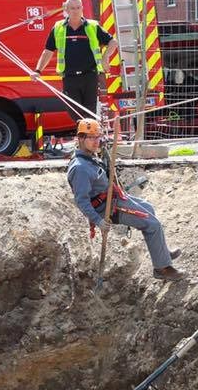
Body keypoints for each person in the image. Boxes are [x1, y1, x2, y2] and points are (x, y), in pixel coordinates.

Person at [66, 118, 185, 282]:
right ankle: (162, 268)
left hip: (113, 198)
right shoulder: (80, 168)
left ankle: (162, 253)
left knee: (148, 208)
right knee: (153, 224)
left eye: (97, 137)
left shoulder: (89, 158)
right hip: (108, 208)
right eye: (91, 137)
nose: (96, 141)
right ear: (80, 139)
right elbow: (81, 201)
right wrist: (98, 221)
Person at [32, 0, 118, 121]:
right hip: (69, 77)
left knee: (89, 112)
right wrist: (38, 70)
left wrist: (105, 57)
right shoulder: (58, 28)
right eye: (72, 8)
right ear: (66, 9)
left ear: (82, 8)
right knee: (73, 110)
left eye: (78, 7)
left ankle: (88, 137)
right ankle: (84, 134)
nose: (76, 11)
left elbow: (113, 42)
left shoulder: (93, 26)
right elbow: (48, 51)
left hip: (90, 76)